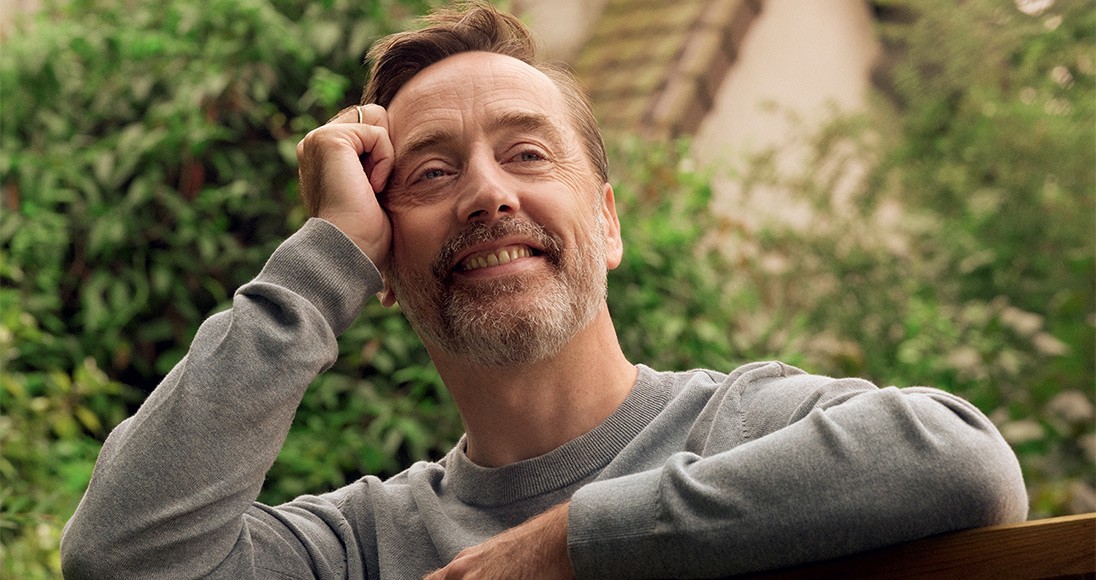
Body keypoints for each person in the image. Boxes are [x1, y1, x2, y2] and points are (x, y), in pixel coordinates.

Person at [60, 3, 1028, 578]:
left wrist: (571, 544)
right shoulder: (363, 546)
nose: (487, 191)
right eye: (431, 174)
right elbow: (124, 557)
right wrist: (322, 257)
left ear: (606, 220)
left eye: (526, 151)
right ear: (383, 268)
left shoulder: (739, 429)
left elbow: (962, 461)